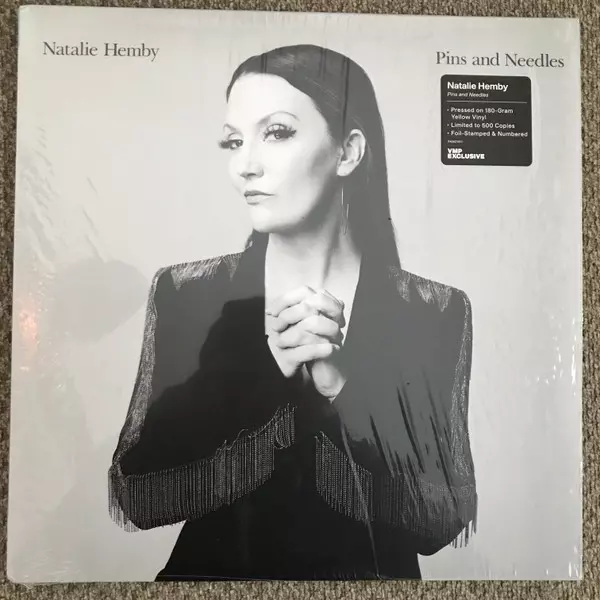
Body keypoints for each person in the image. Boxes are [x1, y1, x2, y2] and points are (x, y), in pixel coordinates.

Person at [108, 44, 477, 581]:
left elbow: (441, 521)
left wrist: (341, 390)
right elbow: (136, 496)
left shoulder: (432, 311)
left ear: (348, 152)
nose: (244, 165)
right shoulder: (187, 292)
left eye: (277, 133)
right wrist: (264, 375)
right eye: (234, 141)